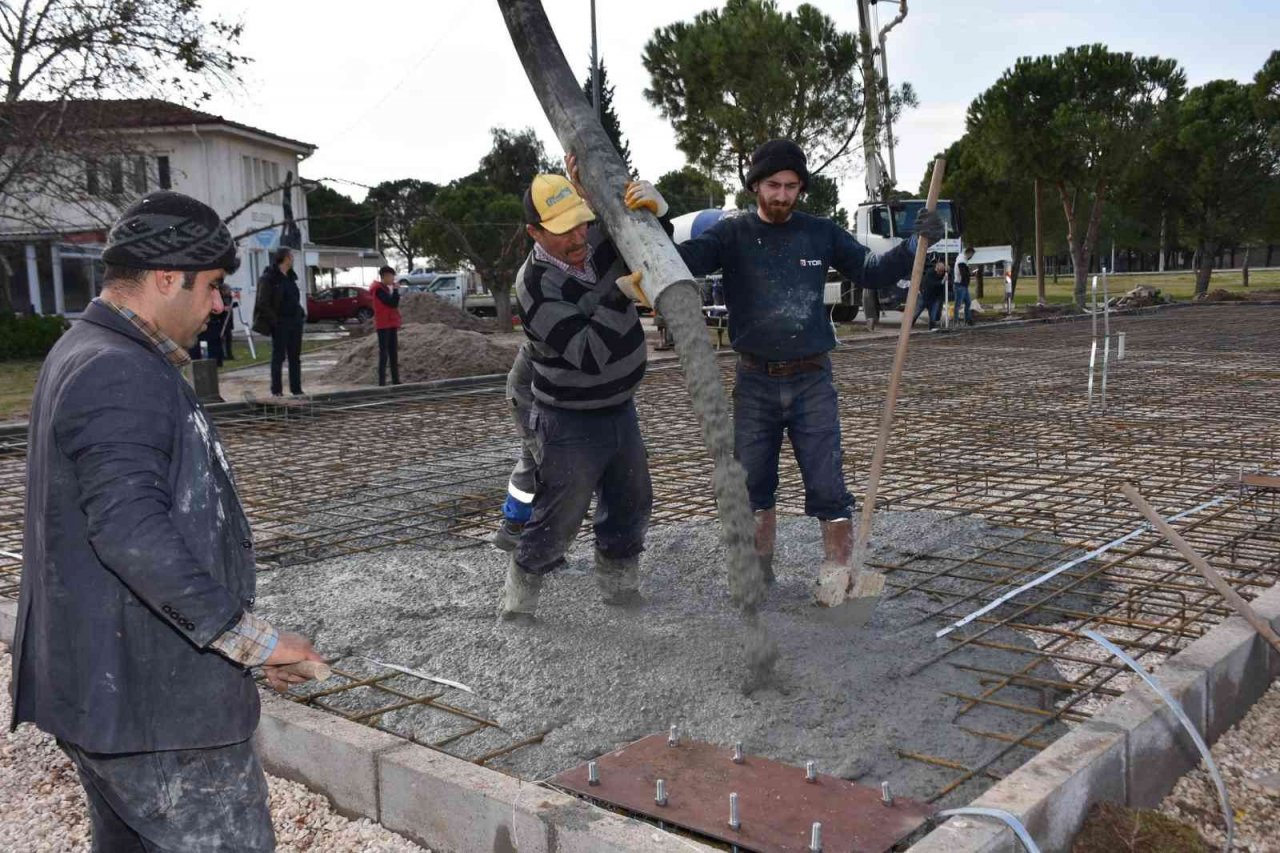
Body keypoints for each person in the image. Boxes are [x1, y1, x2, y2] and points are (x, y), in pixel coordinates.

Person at [11, 190, 325, 852]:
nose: (219, 304)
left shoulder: (86, 348)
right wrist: (254, 640)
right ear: (164, 278)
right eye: (212, 286)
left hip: (107, 699)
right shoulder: (117, 371)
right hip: (158, 714)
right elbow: (130, 532)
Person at [673, 138, 944, 582]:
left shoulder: (821, 232)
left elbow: (871, 270)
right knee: (752, 486)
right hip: (755, 381)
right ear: (755, 185)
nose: (782, 195)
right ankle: (758, 575)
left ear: (801, 188)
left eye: (792, 186)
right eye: (774, 185)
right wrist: (657, 221)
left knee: (827, 485)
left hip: (811, 380)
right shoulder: (731, 234)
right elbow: (681, 262)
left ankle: (839, 573)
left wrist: (916, 245)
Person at [499, 170, 658, 623]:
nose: (578, 236)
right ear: (534, 232)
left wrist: (654, 215)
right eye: (563, 229)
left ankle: (619, 585)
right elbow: (587, 354)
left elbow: (657, 252)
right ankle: (520, 595)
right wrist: (618, 295)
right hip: (568, 416)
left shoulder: (599, 242)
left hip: (619, 405)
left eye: (582, 222)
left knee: (632, 497)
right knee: (560, 514)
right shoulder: (533, 286)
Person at [255, 247, 305, 396]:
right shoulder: (269, 278)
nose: (293, 259)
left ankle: (296, 389)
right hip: (280, 322)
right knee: (279, 357)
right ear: (284, 258)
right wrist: (275, 320)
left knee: (295, 357)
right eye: (290, 256)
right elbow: (262, 302)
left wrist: (300, 313)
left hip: (295, 321)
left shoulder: (290, 276)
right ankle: (276, 390)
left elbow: (294, 297)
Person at [371, 265, 402, 386]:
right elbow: (392, 303)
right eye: (391, 276)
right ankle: (382, 382)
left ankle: (395, 380)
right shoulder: (378, 289)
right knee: (384, 353)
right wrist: (395, 290)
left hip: (391, 323)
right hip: (383, 325)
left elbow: (393, 304)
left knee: (393, 352)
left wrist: (394, 291)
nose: (392, 279)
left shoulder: (384, 289)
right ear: (384, 276)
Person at [913, 258, 947, 330]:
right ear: (936, 269)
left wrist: (947, 271)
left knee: (933, 315)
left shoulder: (943, 273)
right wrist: (942, 281)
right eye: (940, 271)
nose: (941, 273)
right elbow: (932, 284)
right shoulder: (930, 273)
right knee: (917, 313)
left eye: (942, 271)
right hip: (925, 297)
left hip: (935, 298)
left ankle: (931, 328)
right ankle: (909, 325)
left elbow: (948, 273)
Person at [954, 246, 974, 326]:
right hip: (960, 284)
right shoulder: (962, 261)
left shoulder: (962, 259)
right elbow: (963, 273)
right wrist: (970, 274)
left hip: (963, 285)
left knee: (968, 303)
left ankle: (968, 319)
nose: (971, 257)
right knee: (958, 304)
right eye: (972, 254)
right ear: (969, 253)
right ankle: (956, 321)